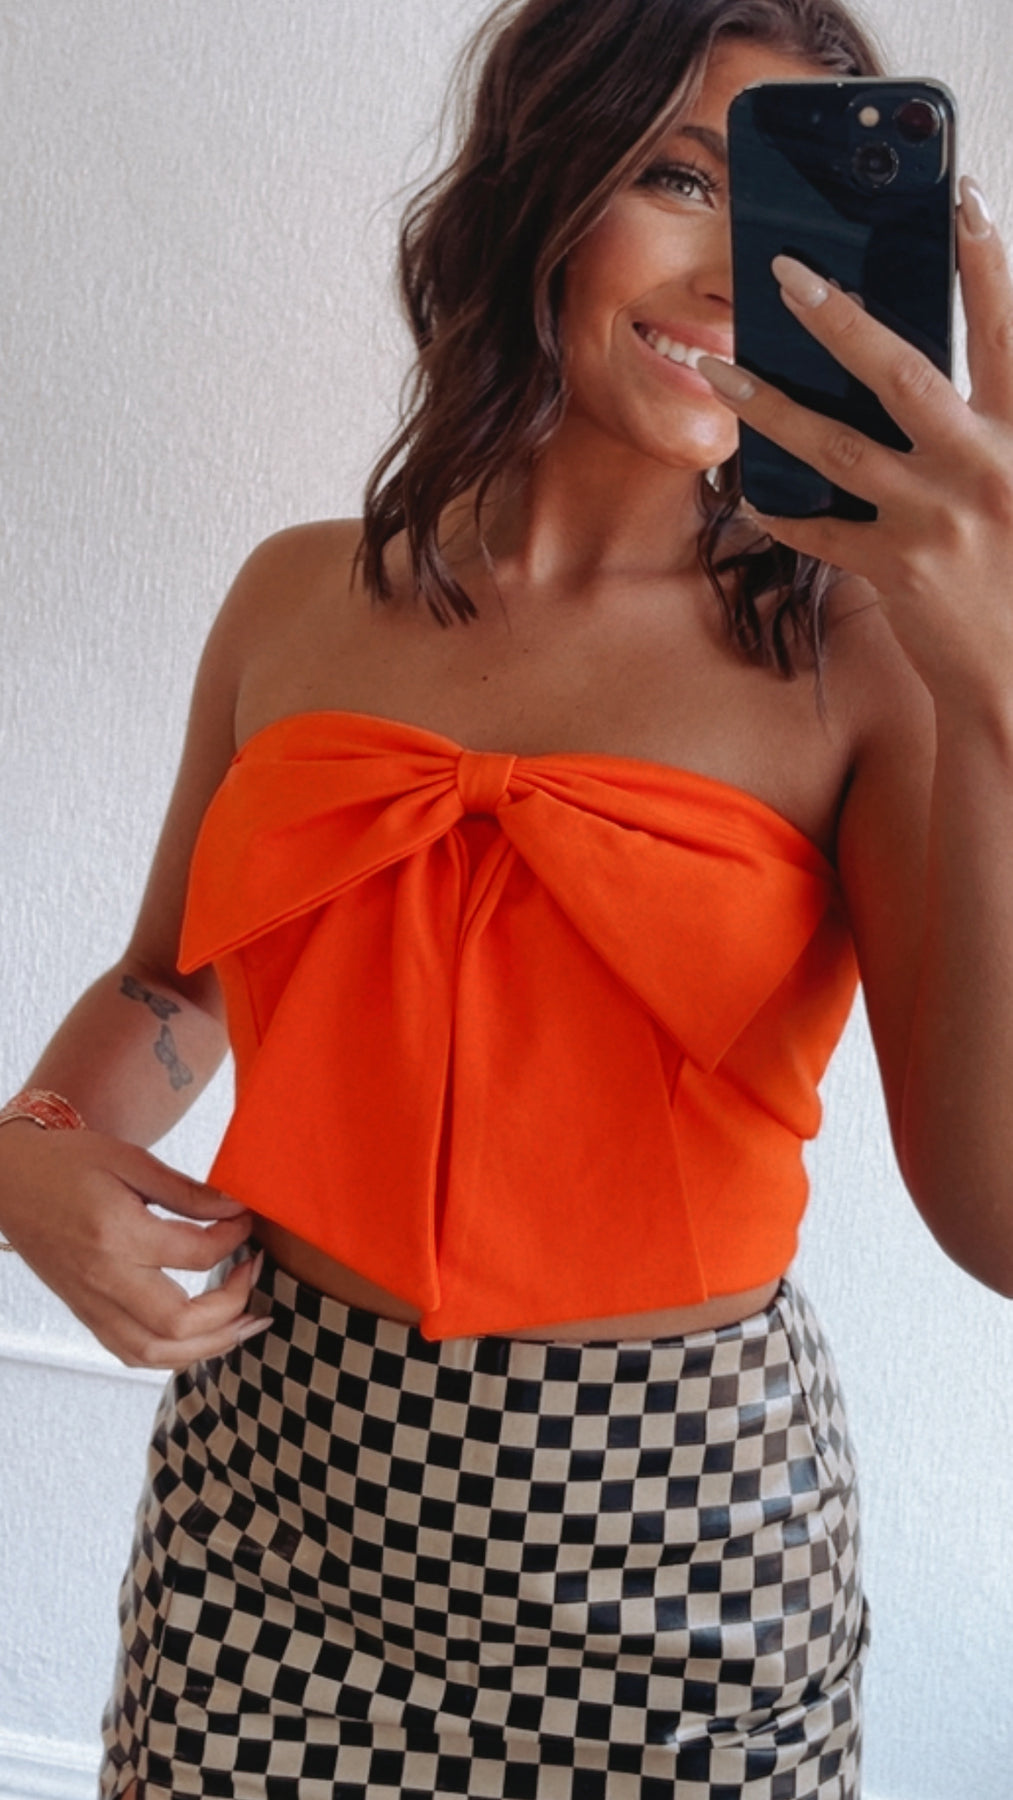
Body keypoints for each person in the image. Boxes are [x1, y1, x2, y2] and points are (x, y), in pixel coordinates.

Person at [1, 0, 1011, 1792]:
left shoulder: (871, 663)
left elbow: (998, 1226)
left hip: (677, 1552)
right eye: (677, 179)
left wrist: (1001, 685)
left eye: (787, 216)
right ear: (541, 190)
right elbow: (170, 983)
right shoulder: (295, 595)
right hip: (267, 1501)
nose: (736, 277)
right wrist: (32, 1144)